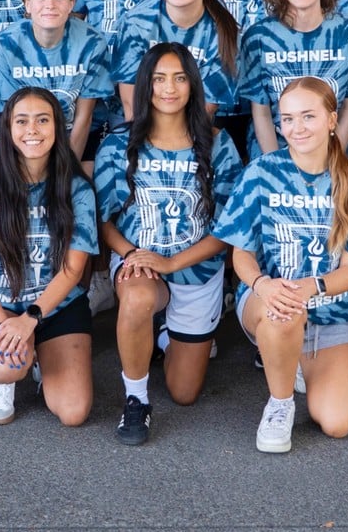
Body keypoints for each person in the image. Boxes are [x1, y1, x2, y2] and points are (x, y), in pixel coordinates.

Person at [214, 77, 348, 453]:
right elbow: (240, 253)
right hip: (268, 300)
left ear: (332, 119)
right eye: (287, 119)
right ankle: (280, 402)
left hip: (328, 309)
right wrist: (263, 285)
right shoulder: (261, 172)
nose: (297, 127)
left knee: (338, 424)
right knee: (284, 314)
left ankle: (296, 362)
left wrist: (312, 288)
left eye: (308, 116)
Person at [94, 44, 244, 444]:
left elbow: (228, 229)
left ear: (193, 85)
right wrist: (129, 254)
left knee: (184, 392)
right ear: (146, 86)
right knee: (139, 298)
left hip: (196, 267)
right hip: (139, 261)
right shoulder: (118, 144)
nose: (169, 88)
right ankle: (136, 400)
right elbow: (104, 220)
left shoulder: (218, 144)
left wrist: (173, 262)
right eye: (159, 79)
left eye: (179, 78)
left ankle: (162, 337)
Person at [0, 88, 98, 427]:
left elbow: (73, 270)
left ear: (57, 127)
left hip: (57, 306)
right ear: (8, 129)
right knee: (7, 365)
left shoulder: (76, 187)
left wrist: (31, 318)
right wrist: (4, 325)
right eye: (22, 121)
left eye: (43, 120)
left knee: (73, 413)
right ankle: (5, 378)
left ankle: (40, 354)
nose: (32, 130)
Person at [238, 0, 348, 155]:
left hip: (334, 154)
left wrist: (331, 161)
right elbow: (261, 113)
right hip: (273, 155)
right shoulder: (259, 37)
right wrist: (277, 167)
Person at [0, 0, 112, 161]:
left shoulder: (92, 43)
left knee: (78, 186)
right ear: (27, 4)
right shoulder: (5, 45)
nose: (50, 5)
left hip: (76, 137)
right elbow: (11, 118)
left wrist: (68, 172)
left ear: (71, 4)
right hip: (27, 138)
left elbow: (84, 118)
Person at [113, 0, 240, 121]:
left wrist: (175, 142)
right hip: (138, 125)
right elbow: (131, 105)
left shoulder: (225, 33)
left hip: (192, 129)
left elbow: (207, 108)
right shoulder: (136, 23)